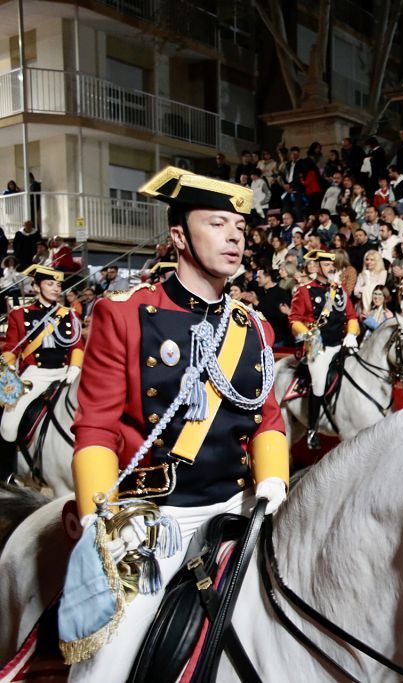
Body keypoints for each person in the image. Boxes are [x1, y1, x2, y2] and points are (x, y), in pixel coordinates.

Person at [63, 167, 287, 680]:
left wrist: (273, 485)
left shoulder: (252, 326)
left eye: (240, 227)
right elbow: (95, 427)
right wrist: (103, 515)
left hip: (238, 506)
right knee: (106, 664)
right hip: (155, 518)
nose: (235, 236)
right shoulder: (122, 314)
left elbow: (267, 419)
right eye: (217, 223)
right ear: (179, 237)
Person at [0, 265, 84, 478]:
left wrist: (74, 368)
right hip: (35, 375)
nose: (56, 288)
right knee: (8, 425)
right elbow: (12, 348)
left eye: (58, 284)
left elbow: (77, 346)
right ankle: (7, 474)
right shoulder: (20, 315)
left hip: (65, 373)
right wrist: (5, 369)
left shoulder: (69, 315)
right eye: (50, 283)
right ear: (36, 287)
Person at [288, 249, 359, 448]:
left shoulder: (340, 290)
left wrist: (352, 334)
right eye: (327, 265)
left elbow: (351, 316)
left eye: (332, 265)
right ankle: (312, 429)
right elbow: (294, 319)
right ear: (317, 266)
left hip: (341, 343)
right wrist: (307, 334)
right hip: (318, 346)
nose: (331, 268)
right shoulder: (304, 291)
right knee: (318, 382)